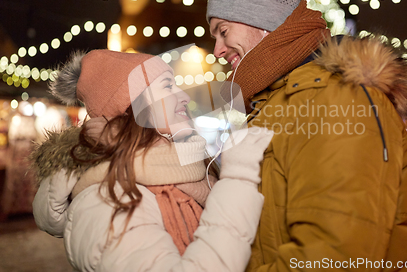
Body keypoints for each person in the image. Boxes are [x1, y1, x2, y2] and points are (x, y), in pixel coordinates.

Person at [206, 0, 407, 270]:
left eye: (223, 31)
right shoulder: (272, 103)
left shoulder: (338, 100)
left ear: (260, 21)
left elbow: (332, 255)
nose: (218, 50)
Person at [31, 49, 274, 272]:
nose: (183, 97)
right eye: (168, 87)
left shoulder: (189, 175)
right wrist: (237, 178)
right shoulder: (110, 199)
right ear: (133, 107)